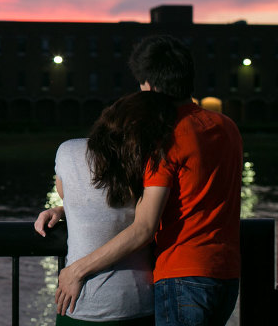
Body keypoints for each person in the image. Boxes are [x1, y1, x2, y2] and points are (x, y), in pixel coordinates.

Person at [44, 35, 243, 326]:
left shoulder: (165, 138)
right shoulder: (227, 127)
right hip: (226, 276)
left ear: (148, 85)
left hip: (182, 276)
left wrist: (76, 271)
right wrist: (65, 209)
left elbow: (144, 227)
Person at [35, 91, 179, 325]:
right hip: (137, 299)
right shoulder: (149, 162)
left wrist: (63, 210)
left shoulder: (67, 151)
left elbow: (72, 196)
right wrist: (63, 210)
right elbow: (144, 222)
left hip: (78, 299)